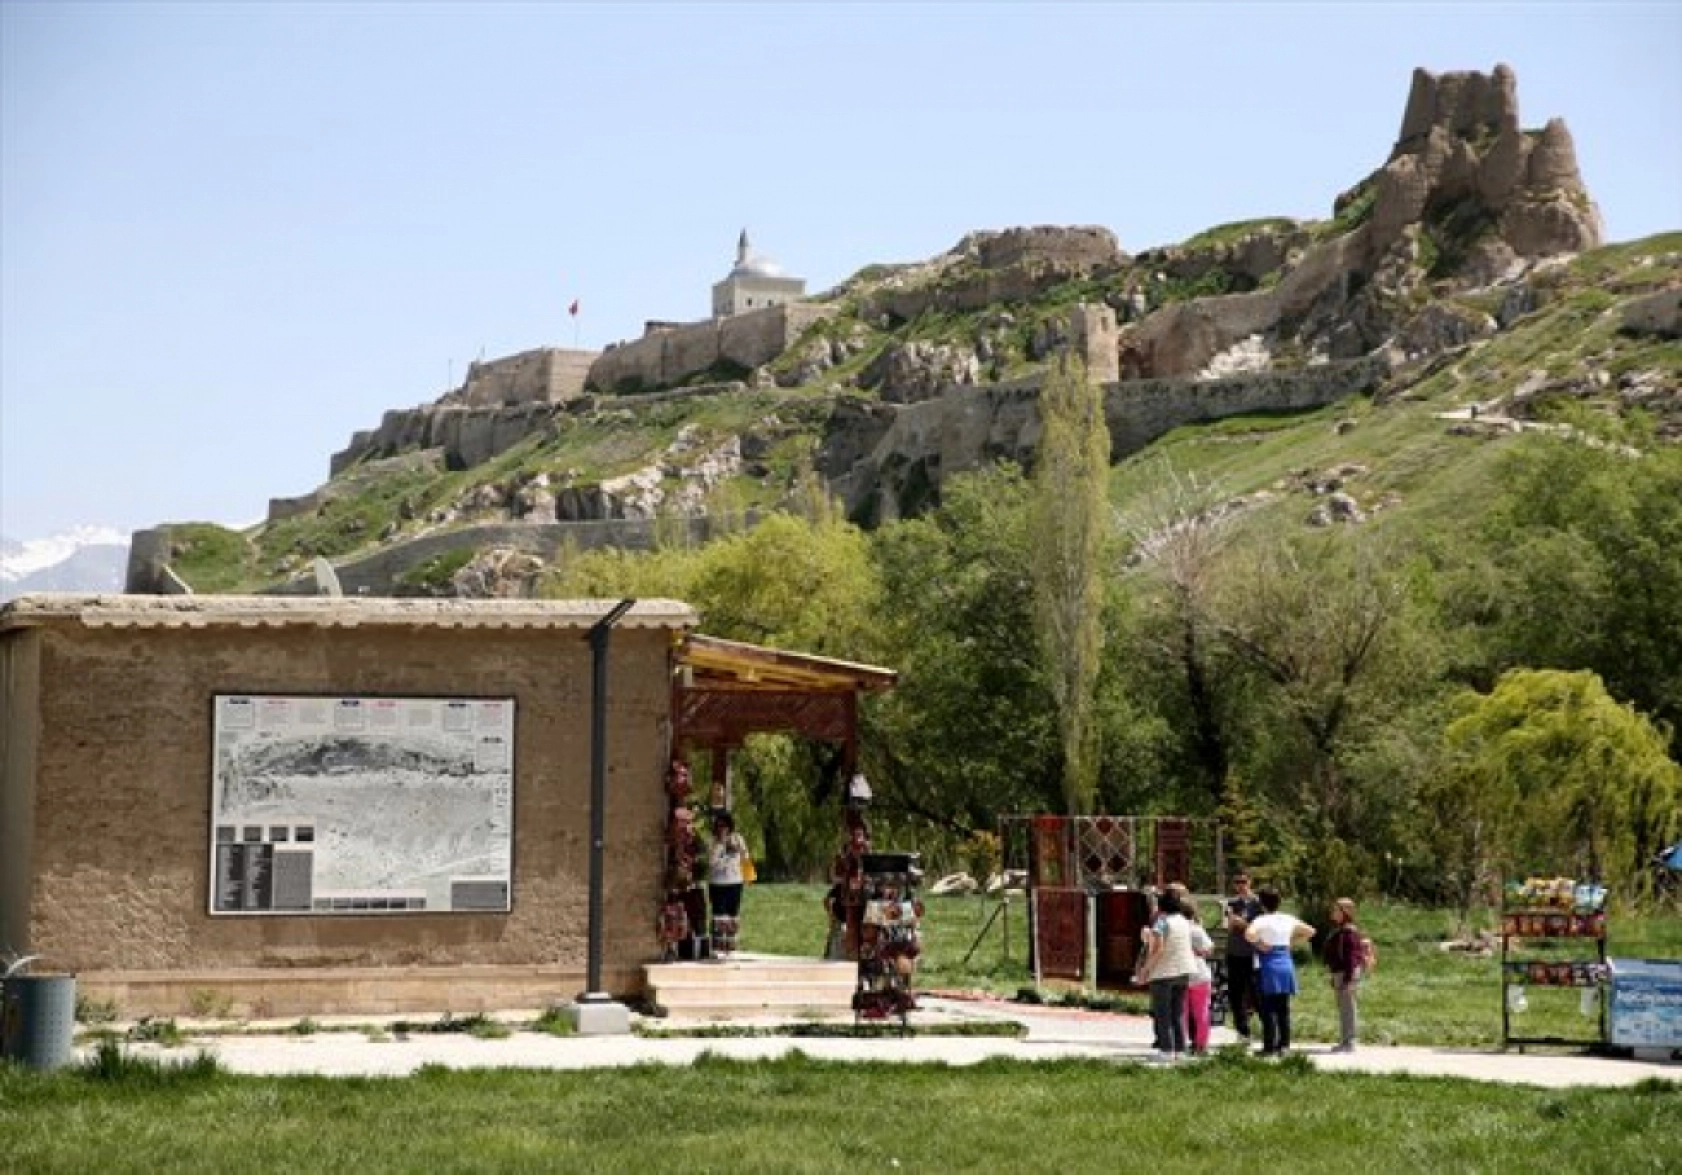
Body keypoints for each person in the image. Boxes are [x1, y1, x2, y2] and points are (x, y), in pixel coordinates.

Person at [1245, 887, 1315, 1057]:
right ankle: (1284, 1045)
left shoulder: (1261, 920)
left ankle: (1269, 1046)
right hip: (1285, 960)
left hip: (1268, 963)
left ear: (1262, 904)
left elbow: (1249, 934)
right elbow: (1311, 931)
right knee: (1283, 1007)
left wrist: (1260, 943)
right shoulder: (1287, 918)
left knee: (1267, 1007)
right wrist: (1291, 940)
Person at [1137, 889, 1198, 1060]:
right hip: (1184, 970)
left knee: (1162, 1014)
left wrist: (1145, 969)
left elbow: (1158, 949)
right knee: (1177, 1013)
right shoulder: (1185, 922)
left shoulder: (1161, 923)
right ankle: (1180, 1049)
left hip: (1164, 972)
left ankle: (1166, 1050)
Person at [1223, 872, 1264, 1042]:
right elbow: (1227, 925)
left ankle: (1267, 1028)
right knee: (1236, 993)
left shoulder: (1258, 904)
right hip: (1234, 952)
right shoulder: (1231, 903)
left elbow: (1260, 928)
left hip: (1252, 953)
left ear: (1250, 882)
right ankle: (1242, 1030)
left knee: (1256, 993)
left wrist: (1243, 924)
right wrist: (1231, 922)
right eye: (1237, 882)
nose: (1240, 885)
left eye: (1243, 881)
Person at [707, 811, 750, 960]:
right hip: (718, 882)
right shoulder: (713, 841)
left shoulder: (737, 838)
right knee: (719, 915)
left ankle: (730, 948)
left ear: (730, 826)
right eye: (719, 826)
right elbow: (711, 862)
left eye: (724, 825)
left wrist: (738, 849)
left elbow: (745, 857)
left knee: (732, 915)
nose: (722, 829)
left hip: (735, 881)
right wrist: (721, 845)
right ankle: (718, 947)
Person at [1323, 897, 1363, 1052]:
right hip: (1340, 973)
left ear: (1344, 912)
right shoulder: (1340, 930)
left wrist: (1349, 979)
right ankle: (1345, 1040)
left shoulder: (1348, 932)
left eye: (1336, 909)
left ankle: (1350, 1042)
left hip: (1347, 973)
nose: (1333, 912)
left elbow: (1351, 957)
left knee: (1348, 1007)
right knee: (1344, 1007)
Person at [1182, 895, 1215, 1056]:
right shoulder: (1197, 929)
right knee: (1201, 1010)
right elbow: (1209, 949)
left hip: (1181, 972)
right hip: (1200, 972)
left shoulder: (1175, 928)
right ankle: (1201, 1044)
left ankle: (1184, 1041)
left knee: (1182, 1011)